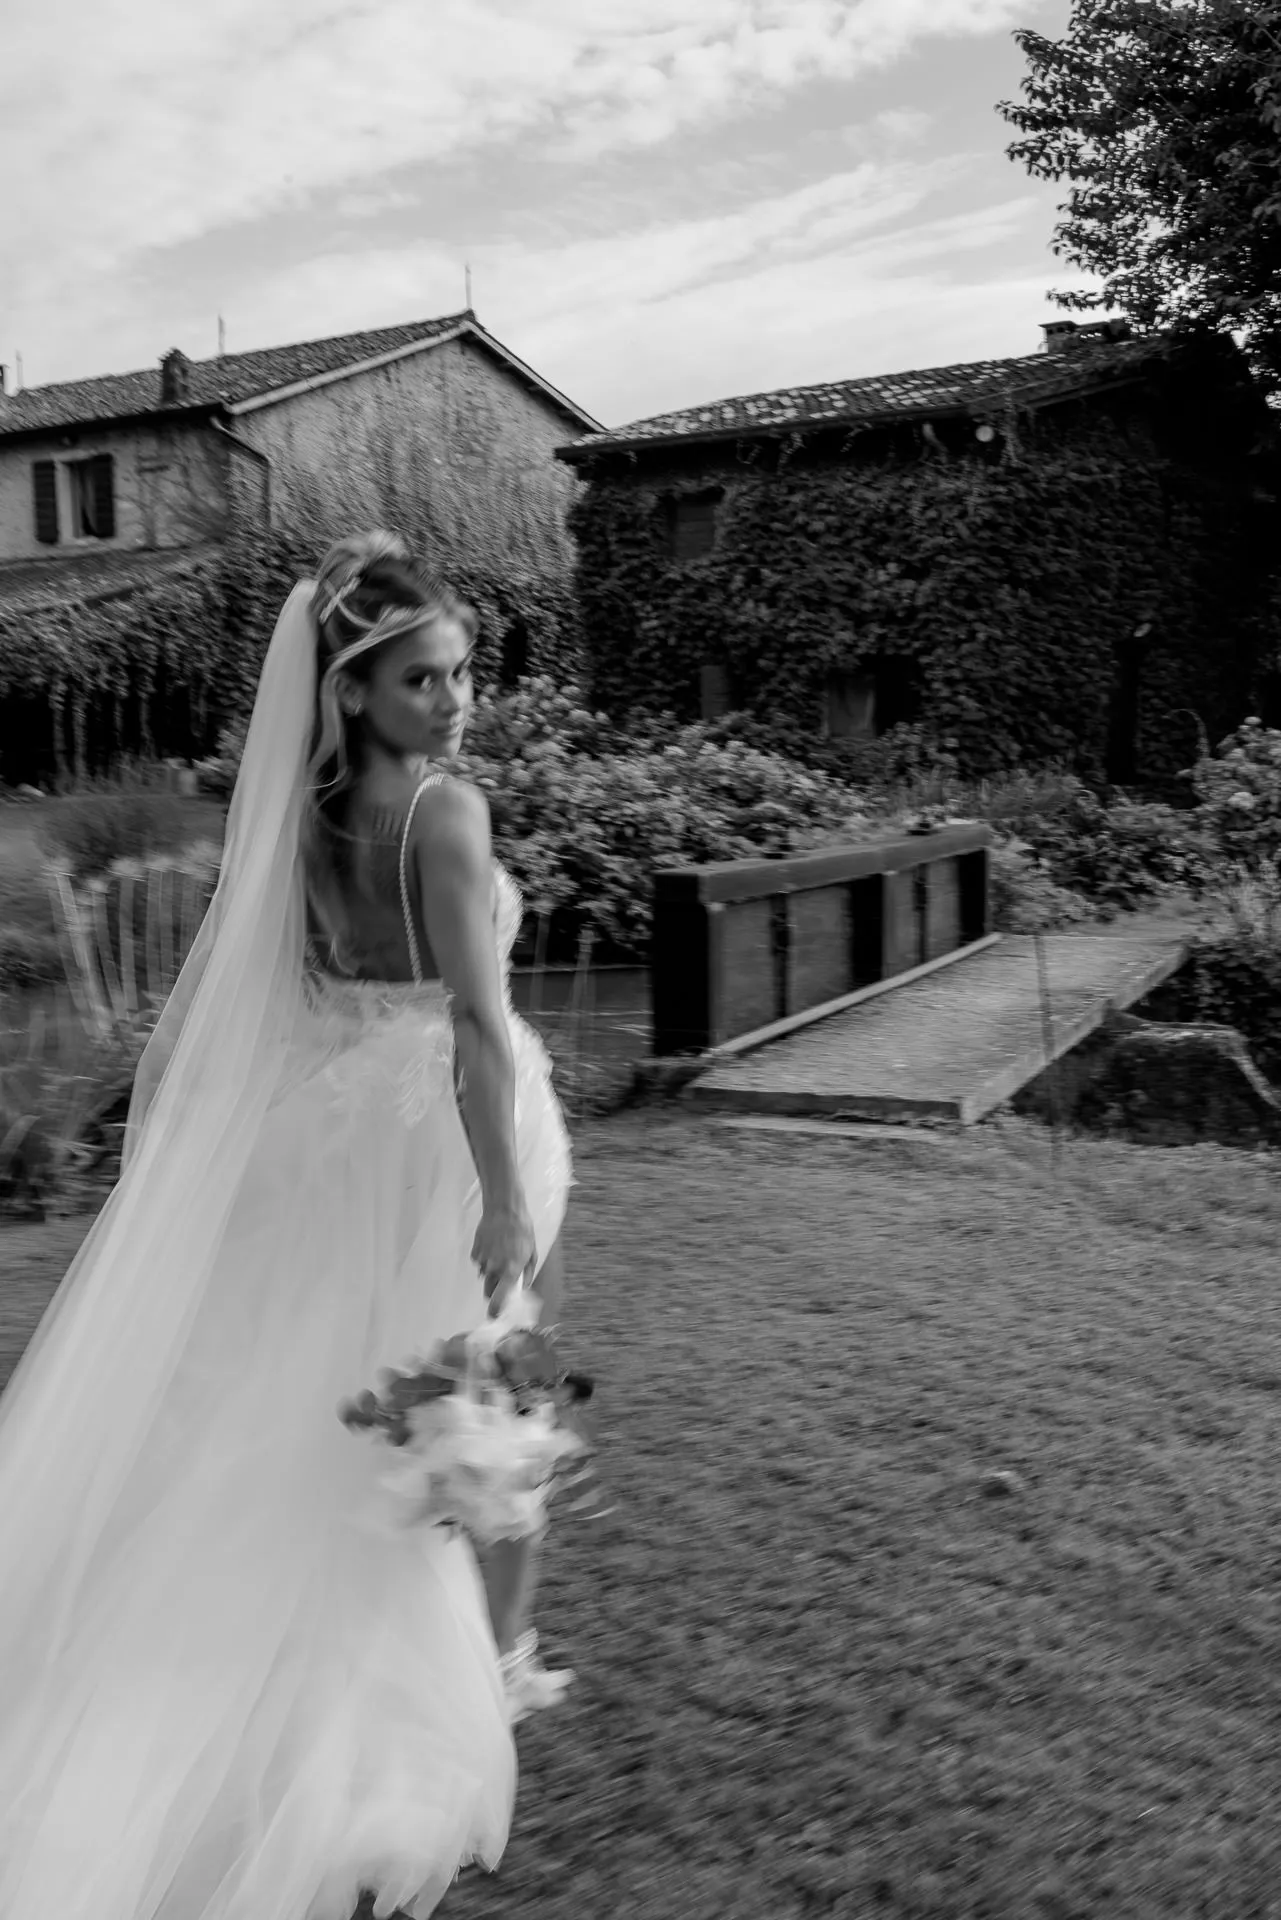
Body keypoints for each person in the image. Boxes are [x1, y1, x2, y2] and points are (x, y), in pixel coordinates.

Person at [0, 531, 575, 1920]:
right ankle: (471, 1663)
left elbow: (308, 995)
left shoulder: (304, 814)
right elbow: (479, 1035)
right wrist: (500, 1196)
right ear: (362, 693)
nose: (458, 703)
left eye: (465, 675)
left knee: (322, 1386)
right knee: (470, 1370)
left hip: (323, 1128)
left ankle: (468, 1639)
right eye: (428, 682)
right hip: (429, 1135)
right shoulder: (444, 812)